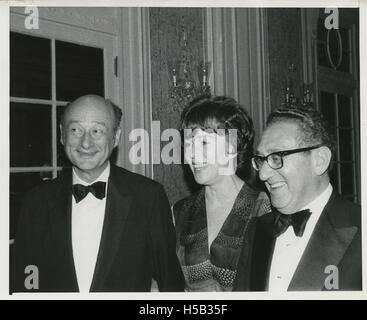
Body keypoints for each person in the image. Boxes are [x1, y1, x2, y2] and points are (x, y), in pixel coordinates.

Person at [11, 94, 184, 292]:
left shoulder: (148, 197)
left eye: (97, 131)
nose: (86, 143)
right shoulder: (36, 201)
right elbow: (25, 278)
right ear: (61, 134)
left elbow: (170, 282)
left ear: (116, 137)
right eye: (75, 130)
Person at [233, 105, 362, 291]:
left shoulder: (360, 228)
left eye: (277, 157)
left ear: (320, 160)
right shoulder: (256, 230)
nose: (263, 175)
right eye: (261, 160)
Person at [173, 96, 271, 291]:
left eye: (203, 144)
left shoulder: (264, 207)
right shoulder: (181, 211)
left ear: (231, 147)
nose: (192, 154)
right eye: (189, 143)